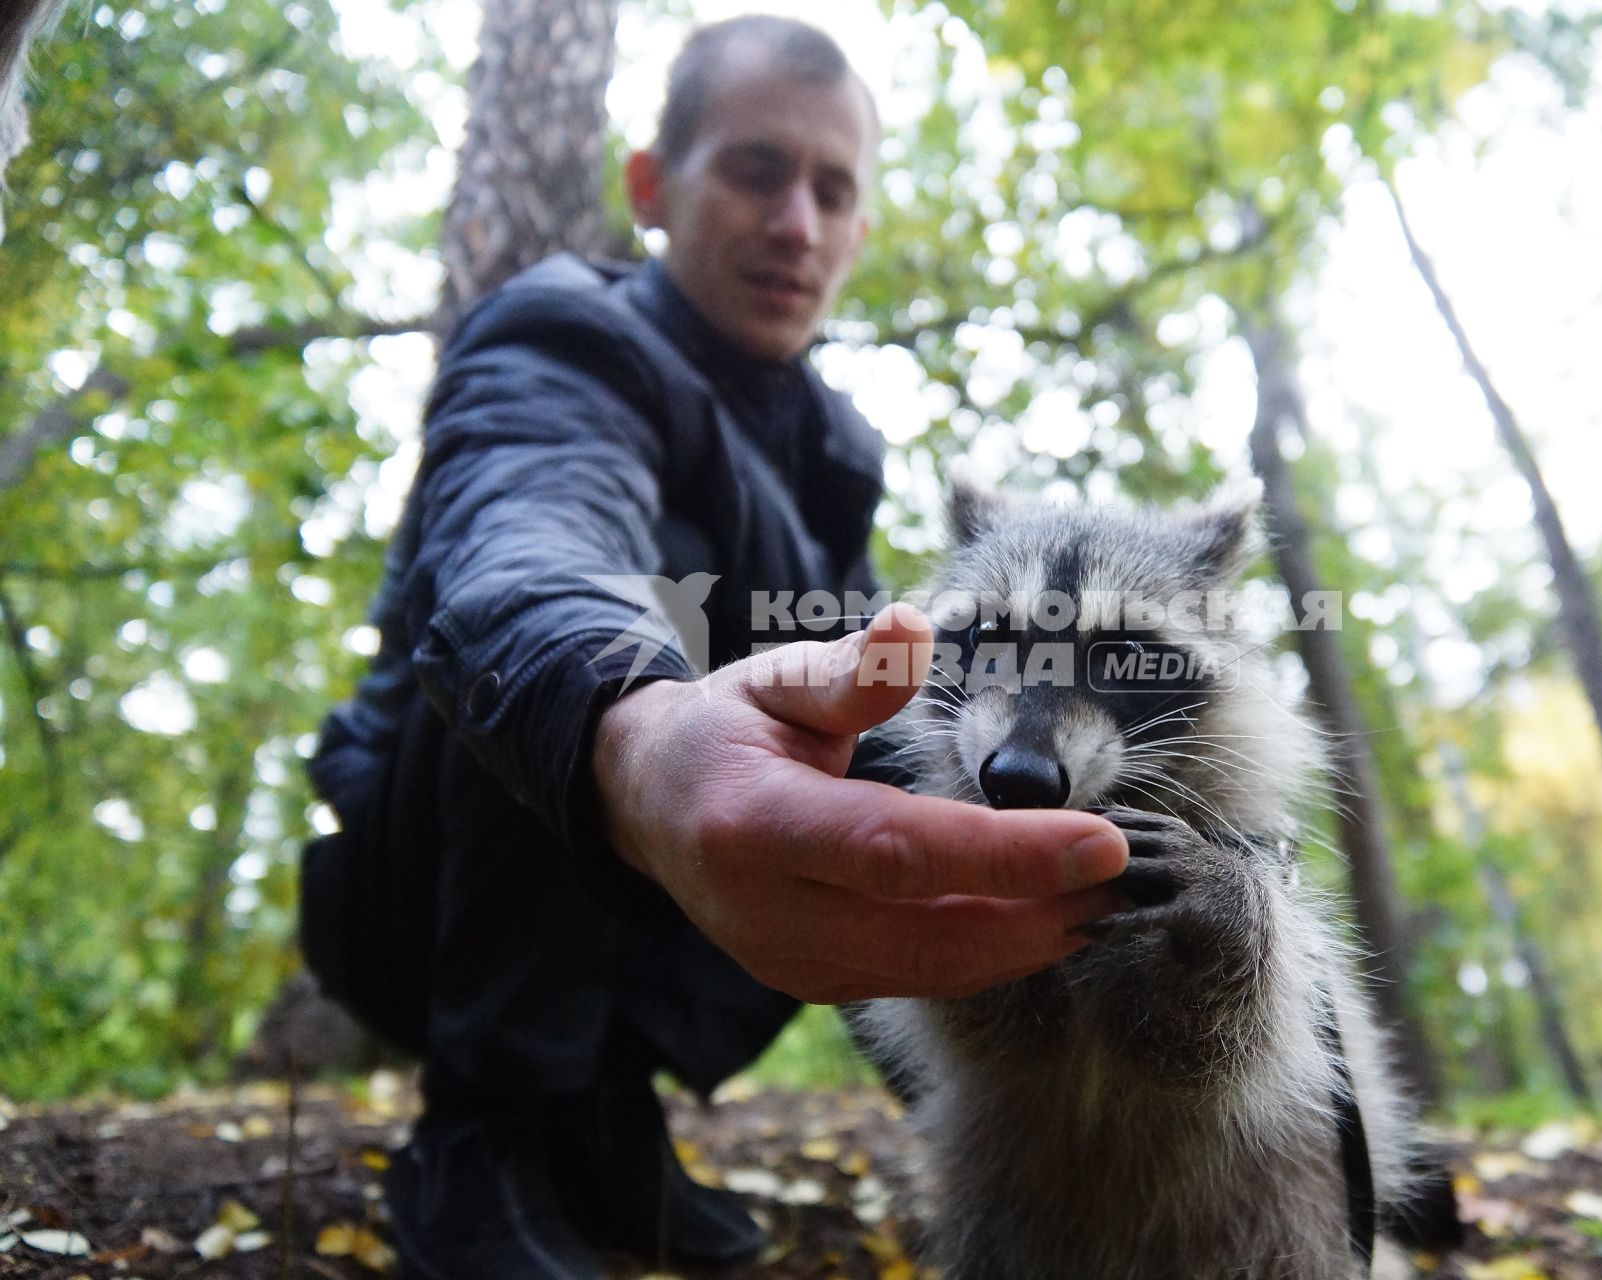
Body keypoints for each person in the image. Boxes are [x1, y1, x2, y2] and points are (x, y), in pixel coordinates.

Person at [298, 15, 1128, 1278]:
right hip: (422, 893)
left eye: (832, 190)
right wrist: (637, 729)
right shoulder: (559, 335)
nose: (796, 222)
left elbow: (896, 765)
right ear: (650, 186)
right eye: (754, 169)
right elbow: (527, 549)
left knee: (904, 699)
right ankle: (487, 1126)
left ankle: (597, 1111)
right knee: (614, 625)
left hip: (677, 907)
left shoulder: (836, 458)